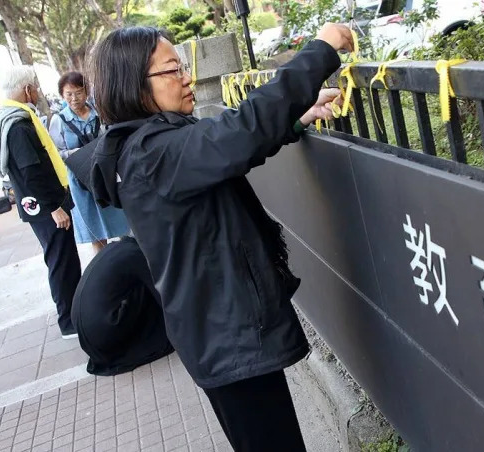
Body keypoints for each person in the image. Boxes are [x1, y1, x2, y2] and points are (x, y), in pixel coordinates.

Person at [85, 25, 351, 450]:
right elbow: (237, 133)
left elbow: (229, 152)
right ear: (134, 85)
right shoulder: (152, 153)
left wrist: (296, 117)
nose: (186, 77)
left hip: (217, 330)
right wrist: (320, 51)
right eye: (173, 70)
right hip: (227, 337)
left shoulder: (143, 148)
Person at [0, 66, 81, 339]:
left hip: (40, 204)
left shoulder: (5, 118)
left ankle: (74, 313)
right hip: (46, 207)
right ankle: (69, 321)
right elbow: (30, 171)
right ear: (27, 89)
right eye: (36, 87)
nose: (38, 92)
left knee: (63, 258)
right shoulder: (17, 125)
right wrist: (54, 208)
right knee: (61, 261)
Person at [49, 72, 130, 255]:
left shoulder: (99, 112)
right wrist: (76, 153)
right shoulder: (58, 120)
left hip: (105, 173)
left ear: (86, 92)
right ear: (62, 95)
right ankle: (105, 269)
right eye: (68, 94)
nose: (74, 98)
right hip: (81, 180)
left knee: (123, 222)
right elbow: (56, 153)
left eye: (78, 92)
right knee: (96, 233)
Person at [72, 237, 173, 376]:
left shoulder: (118, 248)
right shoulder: (138, 255)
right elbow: (165, 298)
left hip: (91, 337)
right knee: (151, 286)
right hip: (105, 333)